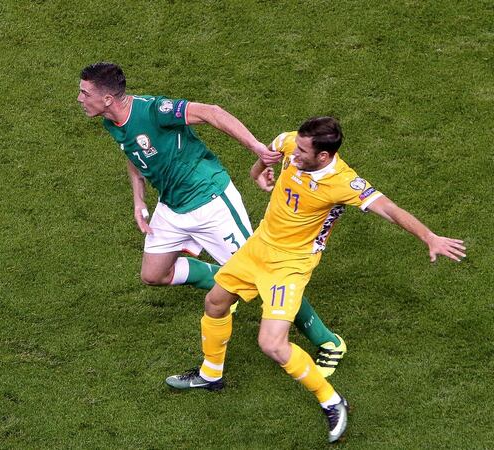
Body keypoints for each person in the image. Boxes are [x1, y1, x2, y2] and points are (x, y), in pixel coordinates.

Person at [165, 116, 466, 443]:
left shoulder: (342, 182)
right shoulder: (292, 142)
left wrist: (429, 237)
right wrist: (257, 172)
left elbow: (390, 209)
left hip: (290, 264)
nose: (295, 153)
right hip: (259, 246)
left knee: (271, 343)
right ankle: (211, 374)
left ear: (323, 156)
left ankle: (332, 401)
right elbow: (272, 151)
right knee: (215, 301)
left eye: (303, 151)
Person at [77, 62, 347, 377]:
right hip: (172, 205)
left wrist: (257, 147)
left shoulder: (154, 111)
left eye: (85, 93)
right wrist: (139, 198)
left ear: (108, 98)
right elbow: (133, 154)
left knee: (269, 278)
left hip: (211, 202)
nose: (80, 99)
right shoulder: (111, 121)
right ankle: (226, 282)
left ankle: (329, 341)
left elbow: (212, 112)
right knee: (154, 273)